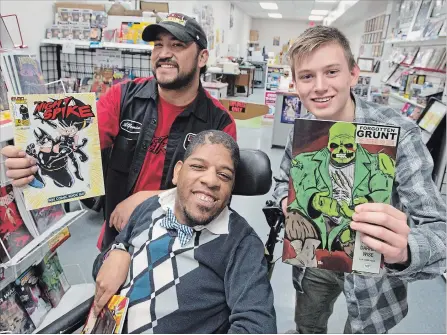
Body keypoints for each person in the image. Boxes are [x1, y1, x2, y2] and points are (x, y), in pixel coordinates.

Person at [1, 13, 237, 251]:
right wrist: (28, 163)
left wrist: (146, 201)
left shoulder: (218, 122)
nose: (164, 54)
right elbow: (76, 143)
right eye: (158, 45)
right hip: (117, 236)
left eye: (177, 45)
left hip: (179, 246)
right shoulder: (122, 98)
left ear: (202, 57)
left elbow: (213, 194)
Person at [273, 26, 446, 334]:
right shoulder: (303, 133)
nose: (320, 86)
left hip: (374, 274)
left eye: (331, 71)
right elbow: (279, 185)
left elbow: (439, 229)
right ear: (295, 83)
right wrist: (286, 202)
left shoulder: (399, 133)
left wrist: (404, 250)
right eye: (307, 76)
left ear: (353, 74)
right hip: (316, 256)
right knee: (308, 326)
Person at [92, 130, 277, 333]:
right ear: (177, 172)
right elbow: (103, 266)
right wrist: (117, 251)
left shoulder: (241, 244)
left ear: (231, 188)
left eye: (224, 175)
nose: (211, 181)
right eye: (198, 166)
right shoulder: (151, 207)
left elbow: (257, 327)